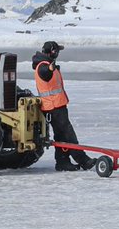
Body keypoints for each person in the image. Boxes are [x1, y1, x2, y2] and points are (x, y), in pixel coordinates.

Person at [33, 41, 93, 171]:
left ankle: (62, 162)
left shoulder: (47, 64)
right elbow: (45, 74)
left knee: (60, 136)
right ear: (52, 51)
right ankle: (84, 161)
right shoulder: (43, 66)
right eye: (57, 51)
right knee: (68, 135)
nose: (58, 54)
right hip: (54, 108)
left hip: (57, 106)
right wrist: (50, 69)